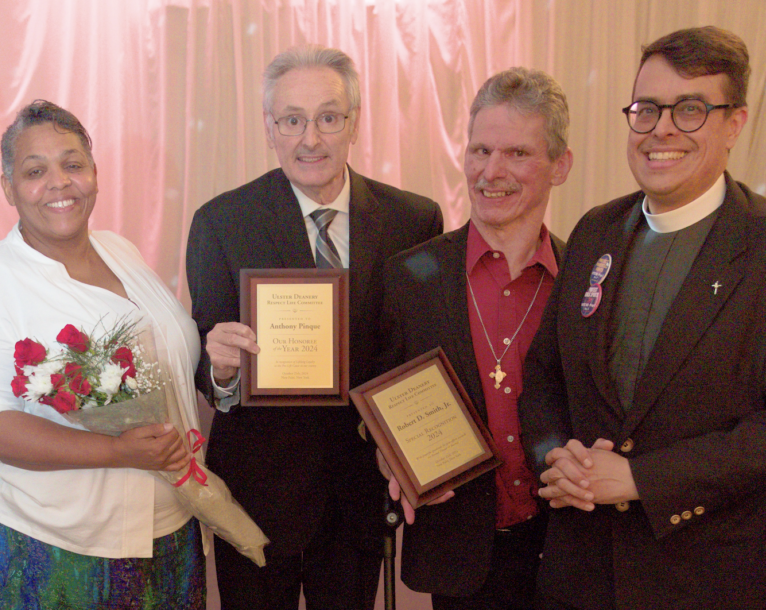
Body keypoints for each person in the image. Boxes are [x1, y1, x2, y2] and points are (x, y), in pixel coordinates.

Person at [186, 44, 443, 610]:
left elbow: (416, 355)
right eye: (292, 120)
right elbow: (208, 369)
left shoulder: (413, 220)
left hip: (359, 490)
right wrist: (222, 370)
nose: (310, 139)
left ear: (353, 123)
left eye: (328, 118)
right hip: (257, 491)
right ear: (269, 128)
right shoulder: (222, 222)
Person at [519, 26, 766, 610]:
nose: (662, 129)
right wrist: (557, 457)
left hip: (708, 577)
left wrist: (641, 480)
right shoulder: (594, 230)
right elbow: (545, 375)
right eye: (648, 109)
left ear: (735, 124)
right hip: (580, 572)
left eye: (690, 110)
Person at [0, 100, 207, 609]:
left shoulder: (121, 251)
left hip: (170, 524)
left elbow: (171, 362)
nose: (59, 182)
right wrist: (118, 452)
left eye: (73, 164)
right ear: (8, 187)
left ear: (95, 174)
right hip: (56, 545)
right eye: (35, 171)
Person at [379, 67, 573, 609]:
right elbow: (377, 406)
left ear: (560, 166)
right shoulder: (408, 277)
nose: (491, 171)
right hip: (460, 557)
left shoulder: (588, 277)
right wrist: (389, 455)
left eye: (516, 153)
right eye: (480, 150)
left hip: (568, 551)